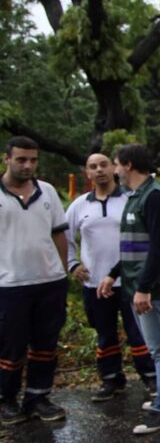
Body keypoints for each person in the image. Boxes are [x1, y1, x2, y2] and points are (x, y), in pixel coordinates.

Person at [97, 145, 160, 436]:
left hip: (152, 288)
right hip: (137, 283)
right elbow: (133, 246)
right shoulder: (136, 196)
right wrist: (113, 274)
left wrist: (145, 288)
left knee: (159, 348)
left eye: (115, 164)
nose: (113, 170)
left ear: (128, 164)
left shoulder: (156, 197)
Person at [66, 153, 157, 401]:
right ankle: (111, 380)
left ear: (114, 169)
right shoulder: (79, 205)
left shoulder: (130, 199)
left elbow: (146, 236)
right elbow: (64, 239)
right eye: (93, 167)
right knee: (105, 333)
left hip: (129, 281)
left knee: (138, 332)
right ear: (87, 173)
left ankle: (150, 376)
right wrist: (73, 264)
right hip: (94, 282)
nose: (99, 170)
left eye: (104, 164)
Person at [0, 136, 70, 426]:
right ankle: (6, 399)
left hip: (49, 282)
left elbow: (58, 233)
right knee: (9, 346)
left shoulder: (48, 192)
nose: (28, 165)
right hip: (10, 284)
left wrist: (63, 271)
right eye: (21, 159)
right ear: (7, 159)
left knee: (46, 343)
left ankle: (38, 396)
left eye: (33, 160)